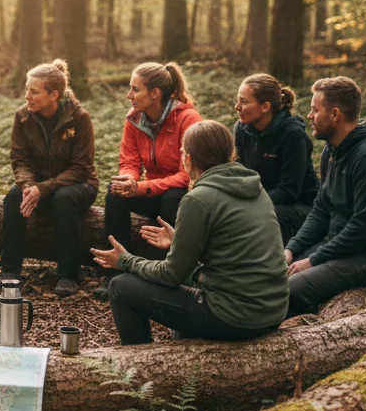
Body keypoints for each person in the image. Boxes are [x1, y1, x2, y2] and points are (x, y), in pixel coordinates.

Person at [90, 120, 289, 345]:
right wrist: (179, 241)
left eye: (183, 152)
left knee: (121, 287)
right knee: (189, 277)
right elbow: (232, 249)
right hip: (274, 311)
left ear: (188, 158)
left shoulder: (198, 198)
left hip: (235, 318)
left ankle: (139, 368)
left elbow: (170, 275)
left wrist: (125, 261)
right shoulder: (255, 187)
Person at [283, 76, 366, 316]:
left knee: (288, 290)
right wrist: (291, 249)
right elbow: (321, 210)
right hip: (341, 247)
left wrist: (313, 260)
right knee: (276, 274)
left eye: (314, 109)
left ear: (335, 114)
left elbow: (364, 228)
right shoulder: (332, 151)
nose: (309, 116)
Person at [94, 61, 202, 301]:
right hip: (149, 189)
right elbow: (130, 160)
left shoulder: (188, 119)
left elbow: (186, 175)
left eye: (135, 89)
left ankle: (160, 275)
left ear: (154, 94)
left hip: (179, 191)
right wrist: (128, 180)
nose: (128, 95)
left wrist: (141, 188)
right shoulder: (134, 119)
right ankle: (115, 272)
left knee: (173, 199)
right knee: (114, 195)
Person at [0, 58, 98, 297]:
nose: (27, 97)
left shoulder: (79, 118)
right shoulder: (22, 116)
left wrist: (44, 188)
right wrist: (29, 186)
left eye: (34, 92)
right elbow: (20, 160)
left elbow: (81, 167)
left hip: (78, 184)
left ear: (54, 95)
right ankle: (9, 272)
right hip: (38, 183)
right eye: (27, 90)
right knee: (13, 198)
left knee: (64, 198)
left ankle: (68, 275)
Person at [233, 73, 319, 244]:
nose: (237, 106)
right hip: (260, 200)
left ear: (265, 107)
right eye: (238, 100)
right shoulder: (242, 129)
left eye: (244, 102)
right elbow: (237, 173)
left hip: (299, 207)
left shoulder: (293, 136)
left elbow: (288, 192)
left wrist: (249, 203)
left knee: (260, 216)